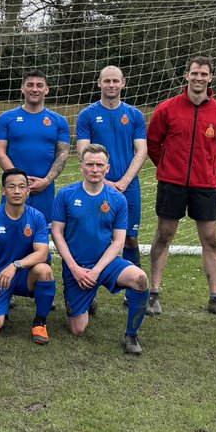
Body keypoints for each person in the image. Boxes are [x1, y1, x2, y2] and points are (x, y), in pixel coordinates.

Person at [146, 56, 216, 320]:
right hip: (172, 183)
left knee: (211, 239)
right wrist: (168, 166)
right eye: (194, 73)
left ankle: (215, 297)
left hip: (205, 186)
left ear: (211, 78)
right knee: (164, 234)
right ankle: (153, 292)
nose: (198, 78)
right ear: (186, 76)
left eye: (204, 74)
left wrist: (208, 168)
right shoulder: (167, 109)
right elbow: (154, 144)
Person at [51, 145, 150, 355]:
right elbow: (57, 233)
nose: (94, 169)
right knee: (77, 329)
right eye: (90, 164)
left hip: (106, 265)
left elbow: (118, 242)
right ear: (81, 167)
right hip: (76, 266)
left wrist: (96, 271)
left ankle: (131, 335)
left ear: (107, 168)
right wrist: (74, 268)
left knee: (140, 278)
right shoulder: (66, 195)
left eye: (99, 165)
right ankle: (88, 297)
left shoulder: (117, 199)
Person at [0, 168, 57, 345]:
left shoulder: (37, 217)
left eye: (21, 187)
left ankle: (40, 322)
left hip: (24, 275)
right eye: (11, 187)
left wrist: (15, 265)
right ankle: (1, 303)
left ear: (27, 191)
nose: (16, 191)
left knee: (45, 270)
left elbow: (42, 253)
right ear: (3, 191)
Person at [75, 65, 147, 268]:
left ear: (123, 83)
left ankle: (132, 290)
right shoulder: (87, 115)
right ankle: (88, 286)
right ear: (99, 83)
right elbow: (83, 151)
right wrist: (104, 181)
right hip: (96, 185)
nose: (111, 84)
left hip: (129, 186)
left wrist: (124, 181)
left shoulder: (134, 115)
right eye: (107, 80)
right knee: (94, 236)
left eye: (116, 80)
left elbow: (141, 151)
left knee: (130, 238)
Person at [0, 70, 71, 222]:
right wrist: (20, 182)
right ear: (22, 88)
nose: (34, 89)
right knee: (12, 232)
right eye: (30, 85)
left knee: (42, 235)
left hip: (44, 189)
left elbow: (62, 155)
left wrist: (46, 181)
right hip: (15, 189)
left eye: (39, 85)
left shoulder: (59, 121)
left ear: (46, 90)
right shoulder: (6, 118)